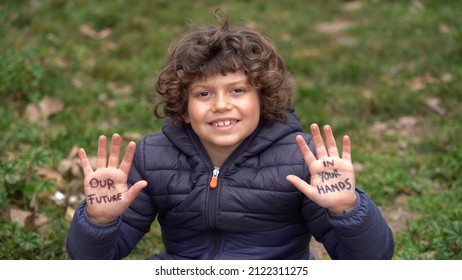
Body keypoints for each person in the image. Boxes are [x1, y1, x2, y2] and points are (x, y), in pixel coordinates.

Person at [66, 14, 394, 260]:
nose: (222, 105)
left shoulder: (302, 160)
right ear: (182, 107)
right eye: (204, 94)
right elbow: (93, 263)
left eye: (237, 90)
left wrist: (347, 210)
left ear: (263, 97)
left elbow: (371, 261)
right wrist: (99, 220)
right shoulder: (153, 158)